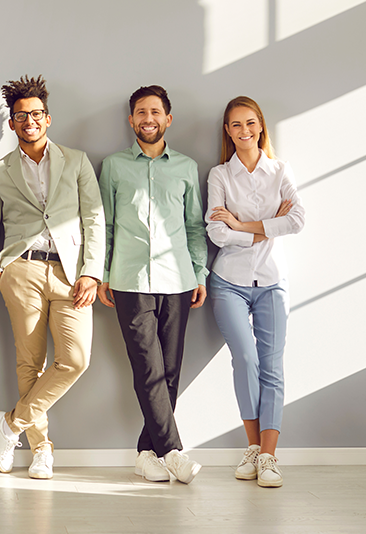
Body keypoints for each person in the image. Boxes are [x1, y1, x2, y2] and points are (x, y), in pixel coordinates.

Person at [0, 75, 104, 480]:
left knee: (75, 359)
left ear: (47, 118)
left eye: (35, 114)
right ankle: (41, 450)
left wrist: (92, 273)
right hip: (22, 270)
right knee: (29, 362)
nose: (28, 120)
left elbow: (94, 219)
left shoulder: (77, 161)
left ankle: (10, 423)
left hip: (71, 274)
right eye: (20, 116)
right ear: (12, 124)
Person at [98, 85, 207, 484]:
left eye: (155, 112)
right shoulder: (112, 166)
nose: (148, 118)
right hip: (129, 280)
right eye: (141, 112)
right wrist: (104, 274)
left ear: (167, 119)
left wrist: (199, 273)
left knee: (171, 370)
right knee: (147, 366)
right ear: (131, 120)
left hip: (178, 279)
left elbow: (195, 226)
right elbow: (105, 224)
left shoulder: (186, 167)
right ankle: (174, 451)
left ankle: (147, 451)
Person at [206, 96, 305, 488]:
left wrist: (243, 224)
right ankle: (252, 449)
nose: (244, 131)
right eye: (235, 125)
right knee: (246, 360)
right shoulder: (219, 175)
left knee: (273, 367)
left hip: (272, 281)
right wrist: (266, 225)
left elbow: (297, 220)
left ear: (260, 126)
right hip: (228, 281)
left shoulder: (280, 170)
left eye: (250, 123)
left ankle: (269, 457)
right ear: (228, 131)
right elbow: (216, 231)